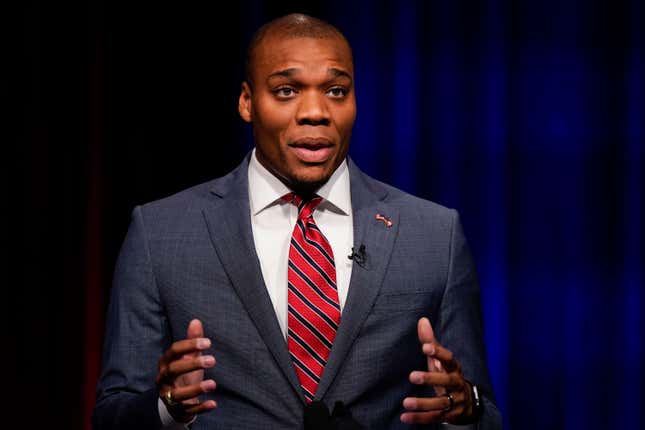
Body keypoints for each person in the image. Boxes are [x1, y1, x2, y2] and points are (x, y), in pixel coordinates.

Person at [93, 13, 502, 430]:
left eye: (336, 91)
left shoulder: (434, 234)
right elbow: (112, 415)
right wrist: (167, 407)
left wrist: (464, 409)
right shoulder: (161, 233)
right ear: (247, 102)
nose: (315, 112)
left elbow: (483, 411)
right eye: (286, 91)